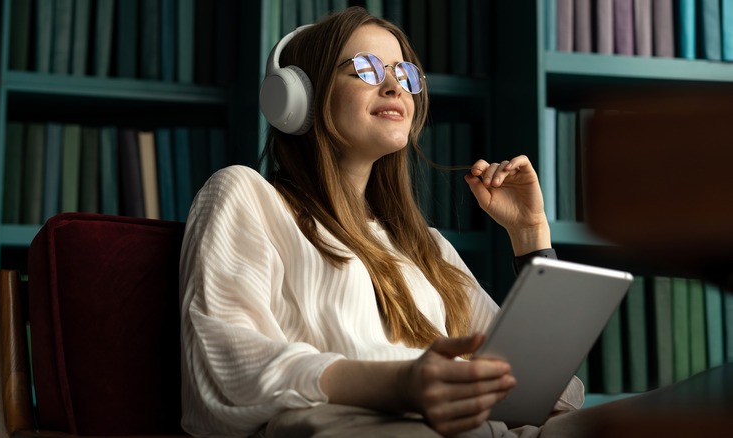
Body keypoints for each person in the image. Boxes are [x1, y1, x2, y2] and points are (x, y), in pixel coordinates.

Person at [179, 6, 585, 437]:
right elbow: (223, 370)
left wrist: (531, 234)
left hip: (484, 432)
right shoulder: (248, 196)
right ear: (298, 97)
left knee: (659, 413)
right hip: (373, 428)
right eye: (366, 70)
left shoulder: (425, 246)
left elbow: (548, 392)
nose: (394, 86)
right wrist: (401, 385)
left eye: (405, 73)